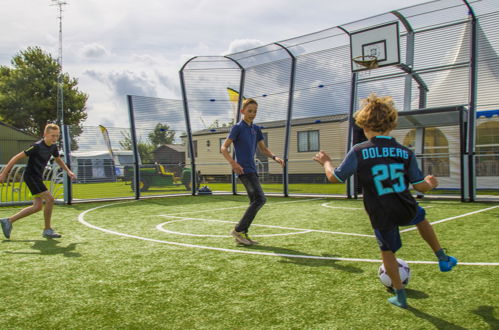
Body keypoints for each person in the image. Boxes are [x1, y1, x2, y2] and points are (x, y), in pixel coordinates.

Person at [313, 94, 457, 309]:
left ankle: (400, 295)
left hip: (381, 212)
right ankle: (442, 256)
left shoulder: (359, 151)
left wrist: (326, 162)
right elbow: (419, 186)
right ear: (391, 125)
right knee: (421, 217)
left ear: (363, 125)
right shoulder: (405, 152)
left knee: (388, 253)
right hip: (404, 204)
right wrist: (430, 183)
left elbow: (336, 178)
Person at [221, 98, 284, 245]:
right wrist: (233, 163)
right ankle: (238, 230)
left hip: (252, 169)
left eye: (255, 111)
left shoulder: (256, 129)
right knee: (260, 199)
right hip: (243, 170)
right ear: (242, 111)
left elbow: (263, 149)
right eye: (249, 111)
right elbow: (223, 148)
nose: (252, 114)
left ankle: (242, 234)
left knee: (254, 200)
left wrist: (275, 157)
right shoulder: (237, 128)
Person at [0, 123, 76, 239]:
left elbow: (58, 160)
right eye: (52, 136)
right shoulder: (36, 146)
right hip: (31, 177)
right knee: (50, 199)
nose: (55, 138)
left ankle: (8, 221)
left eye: (57, 136)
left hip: (37, 178)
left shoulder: (53, 147)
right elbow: (15, 157)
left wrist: (68, 171)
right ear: (45, 134)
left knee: (37, 207)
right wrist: (3, 173)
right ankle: (47, 230)